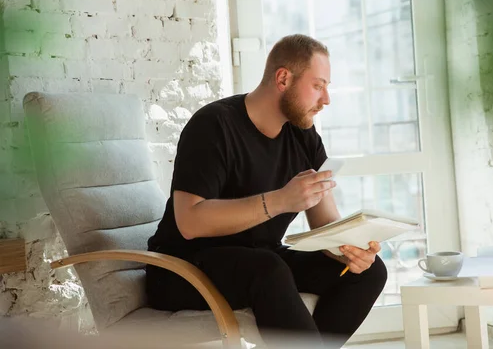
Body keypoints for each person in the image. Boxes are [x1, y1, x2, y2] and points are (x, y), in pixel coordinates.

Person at [146, 34, 387, 348]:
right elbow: (189, 223)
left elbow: (324, 222)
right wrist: (280, 200)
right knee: (267, 268)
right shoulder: (213, 125)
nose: (326, 99)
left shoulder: (303, 135)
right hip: (184, 269)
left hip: (260, 261)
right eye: (318, 85)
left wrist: (350, 249)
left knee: (368, 272)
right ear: (283, 78)